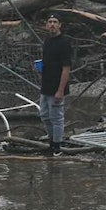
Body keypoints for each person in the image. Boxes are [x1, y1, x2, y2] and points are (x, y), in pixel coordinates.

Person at [39, 13, 72, 155]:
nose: (52, 24)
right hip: (45, 85)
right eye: (50, 21)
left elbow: (66, 68)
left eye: (55, 22)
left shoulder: (64, 43)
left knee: (56, 117)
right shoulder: (47, 40)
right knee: (45, 115)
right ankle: (52, 142)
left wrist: (60, 90)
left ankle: (57, 147)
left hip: (57, 87)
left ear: (60, 25)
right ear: (46, 25)